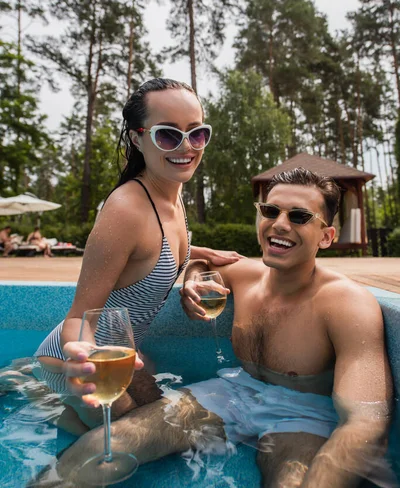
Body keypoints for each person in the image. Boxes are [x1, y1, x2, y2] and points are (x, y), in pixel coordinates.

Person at [33, 168, 394, 488]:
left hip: (303, 412)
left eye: (299, 216)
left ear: (326, 236)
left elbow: (365, 420)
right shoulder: (244, 274)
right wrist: (192, 282)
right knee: (108, 444)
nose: (279, 224)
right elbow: (202, 262)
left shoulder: (346, 303)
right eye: (270, 211)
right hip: (235, 391)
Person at [33, 77, 242, 433]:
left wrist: (199, 259)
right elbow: (79, 318)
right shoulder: (127, 210)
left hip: (125, 354)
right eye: (168, 135)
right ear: (137, 138)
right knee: (134, 439)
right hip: (82, 364)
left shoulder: (172, 191)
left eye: (197, 133)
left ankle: (57, 411)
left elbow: (150, 253)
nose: (186, 146)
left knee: (164, 420)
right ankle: (51, 404)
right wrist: (86, 362)